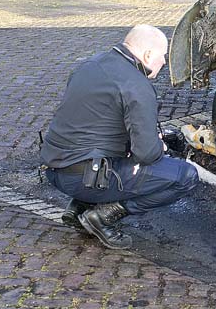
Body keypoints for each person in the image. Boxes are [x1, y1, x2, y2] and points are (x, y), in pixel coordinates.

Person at [41, 24, 199, 250]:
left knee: (111, 151)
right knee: (185, 176)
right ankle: (103, 216)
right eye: (162, 56)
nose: (164, 62)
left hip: (54, 171)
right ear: (147, 55)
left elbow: (95, 123)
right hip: (85, 178)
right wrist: (160, 146)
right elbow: (147, 154)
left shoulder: (90, 65)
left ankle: (78, 207)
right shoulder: (136, 84)